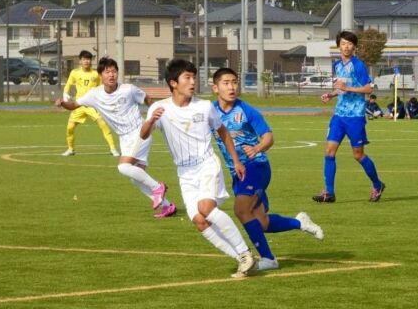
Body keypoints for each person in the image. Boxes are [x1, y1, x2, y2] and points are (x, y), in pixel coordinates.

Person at [140, 59, 256, 277]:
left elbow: (222, 132)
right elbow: (144, 134)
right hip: (185, 173)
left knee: (205, 208)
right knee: (200, 221)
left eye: (194, 77)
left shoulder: (204, 107)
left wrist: (236, 161)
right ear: (173, 83)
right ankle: (243, 259)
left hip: (207, 165)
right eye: (188, 77)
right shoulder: (159, 108)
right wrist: (150, 121)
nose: (193, 82)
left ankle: (245, 252)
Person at [211, 68, 324, 272]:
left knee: (240, 210)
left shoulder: (246, 110)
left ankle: (268, 259)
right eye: (226, 83)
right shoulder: (209, 112)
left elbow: (269, 137)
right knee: (260, 223)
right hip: (237, 172)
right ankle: (299, 223)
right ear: (215, 88)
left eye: (234, 82)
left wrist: (257, 148)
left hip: (257, 166)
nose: (232, 87)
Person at [55, 57, 177, 218]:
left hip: (139, 131)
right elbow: (74, 105)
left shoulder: (128, 89)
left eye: (114, 71)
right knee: (135, 178)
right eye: (107, 72)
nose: (111, 75)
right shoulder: (94, 94)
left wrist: (152, 119)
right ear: (101, 75)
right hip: (124, 138)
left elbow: (148, 100)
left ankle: (157, 187)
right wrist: (63, 103)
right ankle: (168, 206)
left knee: (123, 167)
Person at [313, 31, 386, 203]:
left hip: (355, 117)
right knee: (329, 152)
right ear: (339, 46)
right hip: (339, 115)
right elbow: (341, 88)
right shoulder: (337, 65)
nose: (346, 47)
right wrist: (331, 95)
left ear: (354, 47)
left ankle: (377, 184)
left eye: (349, 44)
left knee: (358, 155)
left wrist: (348, 89)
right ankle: (329, 193)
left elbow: (368, 89)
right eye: (343, 43)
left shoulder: (358, 65)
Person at [60, 50, 118, 157]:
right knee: (70, 128)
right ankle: (71, 149)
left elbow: (102, 87)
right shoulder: (75, 73)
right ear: (80, 61)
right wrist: (65, 94)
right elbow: (68, 85)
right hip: (78, 105)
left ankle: (113, 149)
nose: (86, 61)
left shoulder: (96, 74)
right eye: (84, 59)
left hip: (92, 105)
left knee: (103, 125)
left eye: (88, 59)